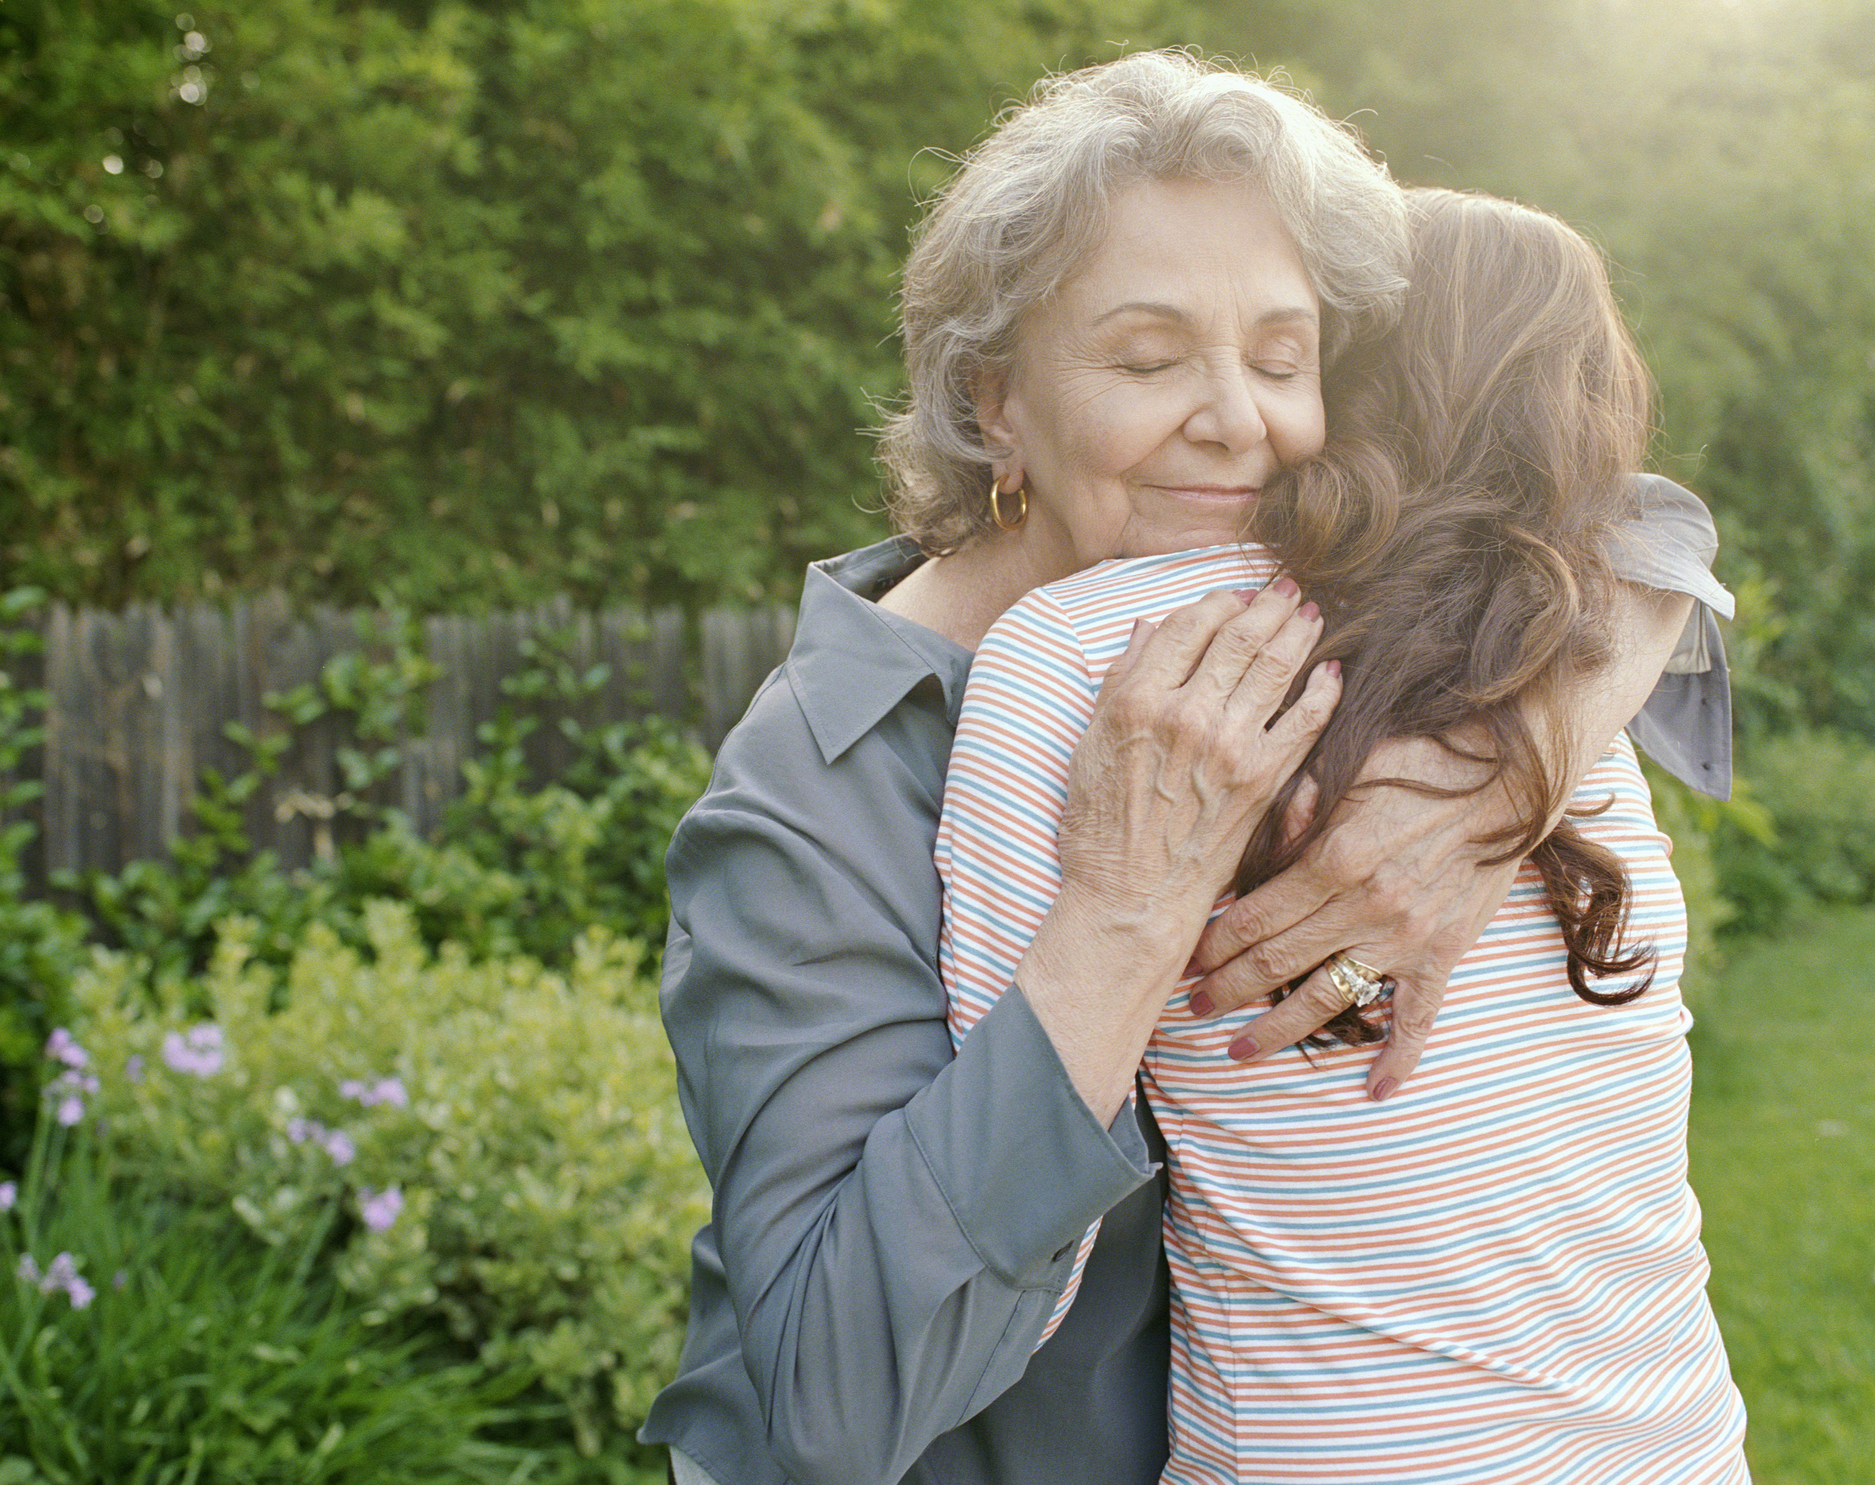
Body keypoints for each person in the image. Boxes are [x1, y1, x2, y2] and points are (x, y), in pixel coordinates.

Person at [641, 52, 1734, 1485]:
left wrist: (1497, 781)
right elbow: (824, 1410)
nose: (1238, 419)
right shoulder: (816, 788)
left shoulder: (1294, 607)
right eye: (1148, 359)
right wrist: (1121, 918)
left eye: (1284, 359)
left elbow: (1632, 524)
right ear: (998, 406)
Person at [937, 186, 1747, 1483]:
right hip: (1676, 1439)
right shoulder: (1574, 668)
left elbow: (995, 1208)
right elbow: (1653, 524)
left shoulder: (1086, 652)